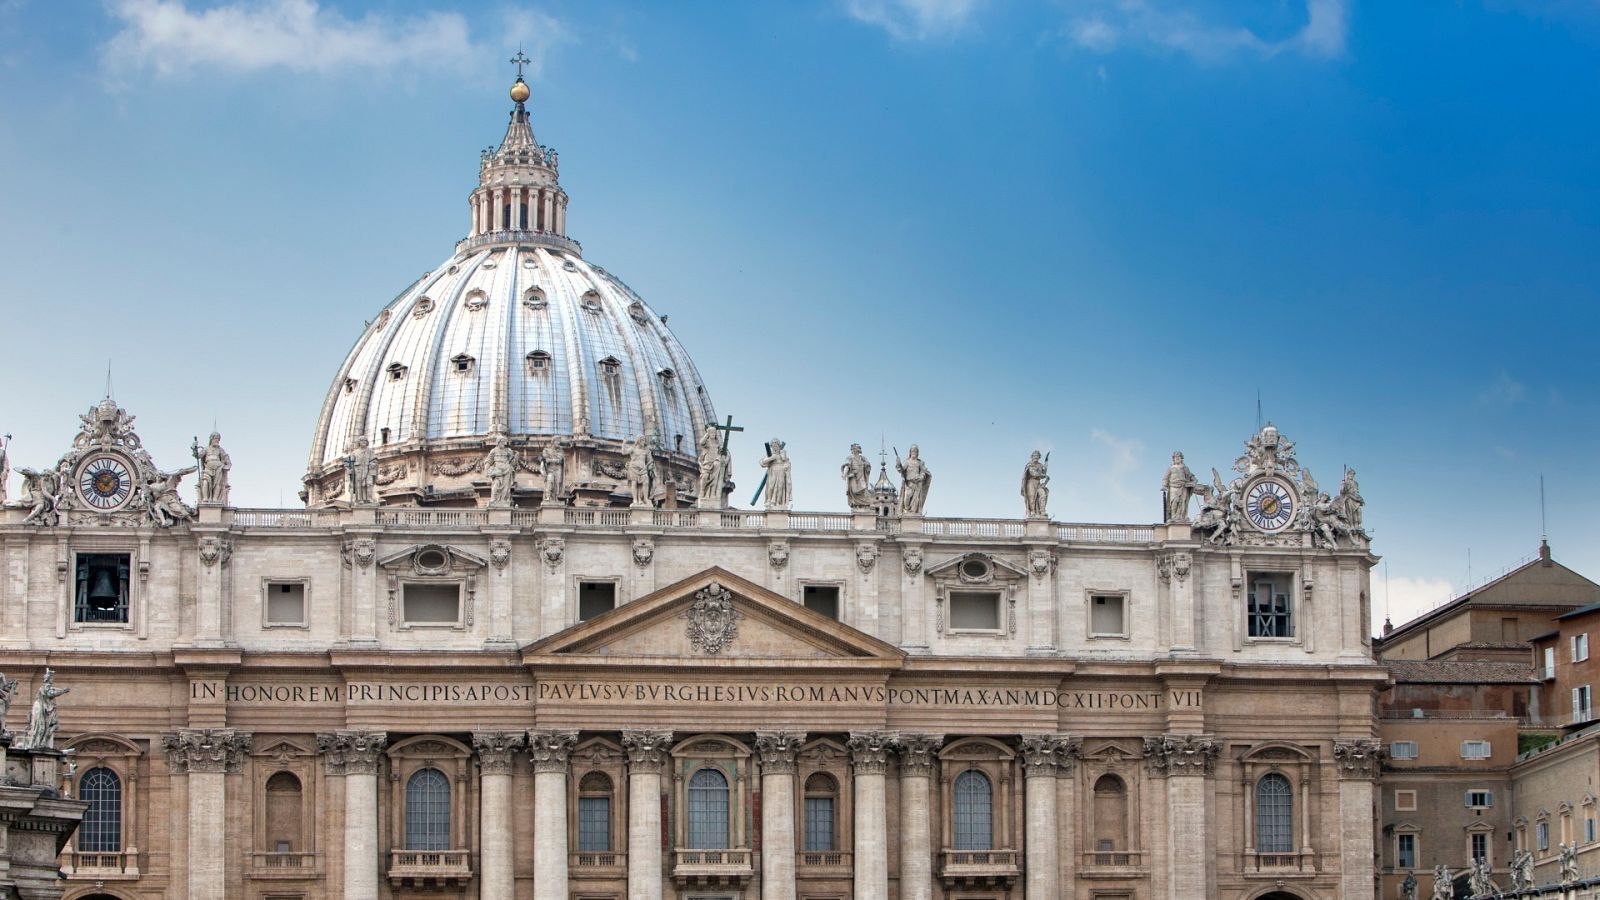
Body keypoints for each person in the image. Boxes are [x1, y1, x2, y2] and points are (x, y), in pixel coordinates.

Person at [20, 668, 68, 750]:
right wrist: (63, 691)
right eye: (51, 678)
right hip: (41, 709)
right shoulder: (45, 687)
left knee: (44, 726)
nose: (52, 679)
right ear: (48, 679)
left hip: (43, 709)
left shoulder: (47, 687)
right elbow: (50, 693)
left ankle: (41, 742)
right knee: (41, 726)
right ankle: (39, 742)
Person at [193, 432, 232, 504]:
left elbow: (226, 458)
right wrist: (194, 448)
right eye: (216, 438)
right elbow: (198, 456)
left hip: (218, 468)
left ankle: (215, 499)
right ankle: (205, 498)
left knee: (217, 484)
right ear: (211, 439)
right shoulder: (206, 449)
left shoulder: (220, 450)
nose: (217, 440)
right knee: (205, 482)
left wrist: (227, 466)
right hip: (208, 468)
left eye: (218, 439)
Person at [1163, 452, 1199, 523]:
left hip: (1183, 486)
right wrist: (1164, 485)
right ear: (1173, 459)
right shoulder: (1170, 468)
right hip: (1173, 486)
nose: (1177, 458)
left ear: (1181, 458)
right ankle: (1173, 516)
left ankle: (1181, 517)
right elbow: (1165, 478)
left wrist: (1193, 482)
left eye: (1178, 457)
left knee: (1182, 502)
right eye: (1175, 457)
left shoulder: (1185, 468)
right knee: (1174, 501)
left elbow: (1192, 476)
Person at [482, 434, 518, 505]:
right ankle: (494, 500)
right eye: (502, 442)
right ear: (498, 442)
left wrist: (515, 458)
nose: (503, 443)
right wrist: (487, 468)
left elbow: (512, 462)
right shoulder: (494, 451)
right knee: (496, 484)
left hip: (507, 470)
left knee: (506, 488)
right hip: (498, 471)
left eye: (504, 442)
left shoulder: (508, 451)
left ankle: (503, 501)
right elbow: (489, 460)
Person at [896, 445, 931, 515]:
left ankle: (913, 512)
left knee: (916, 499)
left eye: (915, 451)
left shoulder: (920, 462)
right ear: (910, 452)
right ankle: (906, 509)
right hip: (909, 483)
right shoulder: (907, 462)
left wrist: (921, 476)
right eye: (912, 451)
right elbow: (901, 470)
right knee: (907, 496)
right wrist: (898, 463)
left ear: (917, 453)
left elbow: (923, 471)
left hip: (917, 483)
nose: (914, 452)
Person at [758, 438, 791, 510]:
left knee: (780, 487)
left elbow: (787, 462)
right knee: (771, 486)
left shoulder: (782, 453)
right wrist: (771, 458)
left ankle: (778, 503)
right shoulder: (770, 454)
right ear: (771, 446)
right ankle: (769, 501)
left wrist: (783, 456)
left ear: (779, 445)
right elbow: (762, 462)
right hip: (772, 472)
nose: (775, 447)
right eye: (773, 445)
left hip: (781, 471)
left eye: (776, 445)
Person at [841, 443, 872, 510]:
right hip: (853, 477)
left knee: (863, 489)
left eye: (855, 448)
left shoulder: (863, 458)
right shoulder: (849, 458)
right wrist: (844, 475)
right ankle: (856, 505)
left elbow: (868, 466)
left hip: (861, 476)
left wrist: (867, 466)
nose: (853, 450)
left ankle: (865, 505)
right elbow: (847, 466)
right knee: (854, 491)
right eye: (852, 449)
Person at [626, 436, 654, 507]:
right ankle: (635, 500)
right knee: (634, 483)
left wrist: (647, 466)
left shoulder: (646, 450)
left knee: (646, 482)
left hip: (643, 469)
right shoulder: (633, 449)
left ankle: (645, 498)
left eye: (644, 440)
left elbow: (650, 460)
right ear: (638, 441)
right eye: (642, 440)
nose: (644, 442)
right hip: (634, 468)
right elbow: (624, 452)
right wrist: (623, 444)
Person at [1021, 451, 1049, 517]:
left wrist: (1046, 465)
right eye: (1035, 455)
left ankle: (1042, 511)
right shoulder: (1029, 465)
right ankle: (1033, 512)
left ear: (1039, 457)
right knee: (1032, 498)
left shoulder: (1040, 465)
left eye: (1037, 456)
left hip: (1038, 483)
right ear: (1032, 456)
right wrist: (1043, 475)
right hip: (1031, 482)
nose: (1036, 457)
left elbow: (1044, 472)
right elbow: (1033, 473)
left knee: (1043, 495)